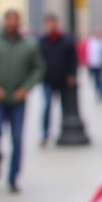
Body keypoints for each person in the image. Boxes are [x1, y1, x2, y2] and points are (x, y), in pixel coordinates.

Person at [0, 10, 45, 193]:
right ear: (4, 21)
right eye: (9, 20)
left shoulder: (29, 45)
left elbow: (38, 69)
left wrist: (26, 88)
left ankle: (13, 177)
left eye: (15, 20)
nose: (12, 23)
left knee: (17, 138)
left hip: (17, 99)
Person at [37, 14, 77, 146]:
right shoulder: (42, 41)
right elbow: (37, 60)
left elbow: (73, 59)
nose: (50, 26)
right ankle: (45, 134)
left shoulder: (66, 40)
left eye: (52, 23)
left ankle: (64, 132)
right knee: (47, 106)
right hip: (47, 80)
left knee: (64, 107)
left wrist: (72, 74)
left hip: (63, 80)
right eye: (48, 23)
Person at [85, 28, 102, 102]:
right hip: (93, 64)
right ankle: (98, 94)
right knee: (96, 81)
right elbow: (88, 53)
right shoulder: (91, 42)